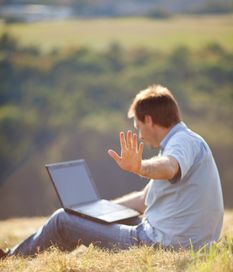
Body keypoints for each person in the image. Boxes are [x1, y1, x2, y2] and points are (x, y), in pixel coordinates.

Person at [0, 84, 224, 258]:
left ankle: (11, 260)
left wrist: (140, 167)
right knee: (85, 218)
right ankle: (35, 251)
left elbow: (169, 167)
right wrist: (97, 210)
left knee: (62, 220)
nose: (139, 135)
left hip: (163, 244)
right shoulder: (188, 141)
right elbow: (144, 199)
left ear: (148, 120)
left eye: (137, 127)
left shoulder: (181, 142)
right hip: (185, 240)